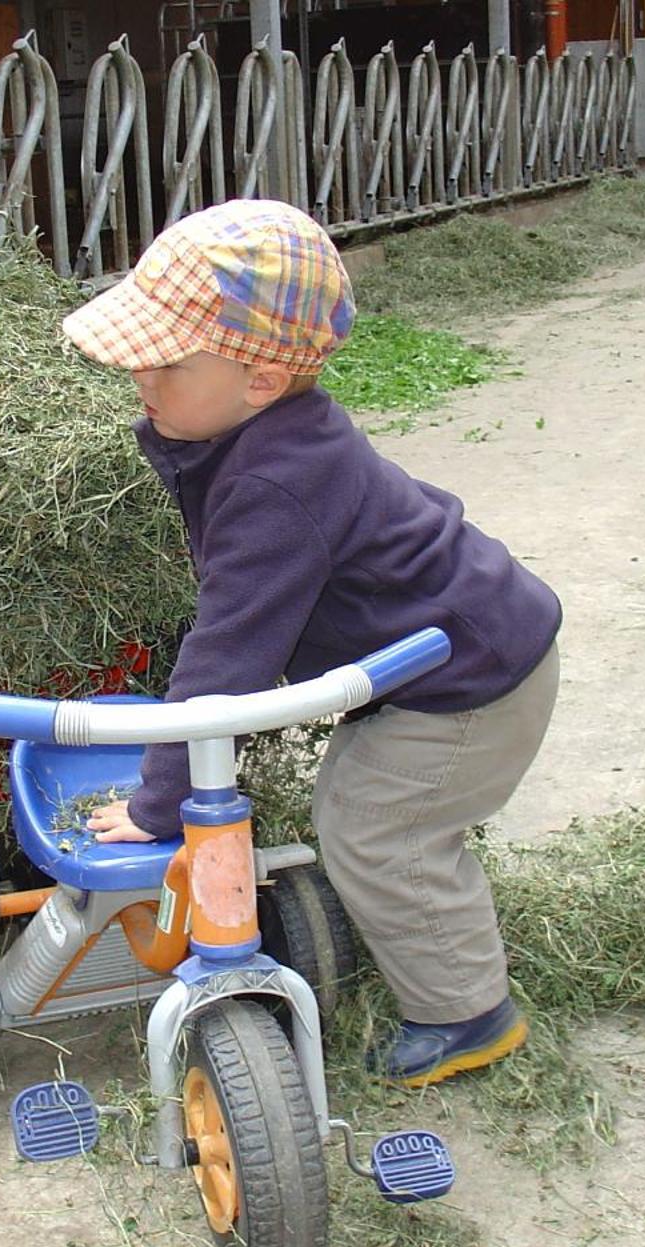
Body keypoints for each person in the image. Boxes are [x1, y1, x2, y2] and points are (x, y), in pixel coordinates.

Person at [59, 198, 562, 1088]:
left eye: (164, 361)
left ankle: (465, 1014)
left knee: (375, 830)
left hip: (469, 682)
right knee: (363, 810)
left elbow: (228, 662)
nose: (139, 375)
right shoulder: (254, 435)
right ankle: (422, 940)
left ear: (257, 379)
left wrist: (158, 802)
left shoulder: (274, 485)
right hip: (442, 654)